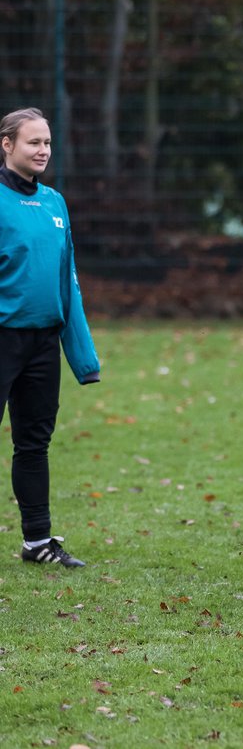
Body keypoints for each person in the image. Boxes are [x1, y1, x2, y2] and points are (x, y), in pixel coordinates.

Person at [1, 107, 101, 568]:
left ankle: (37, 542)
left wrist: (83, 358)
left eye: (47, 143)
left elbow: (69, 283)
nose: (43, 151)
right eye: (33, 143)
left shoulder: (55, 202)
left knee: (34, 444)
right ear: (7, 146)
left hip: (42, 346)